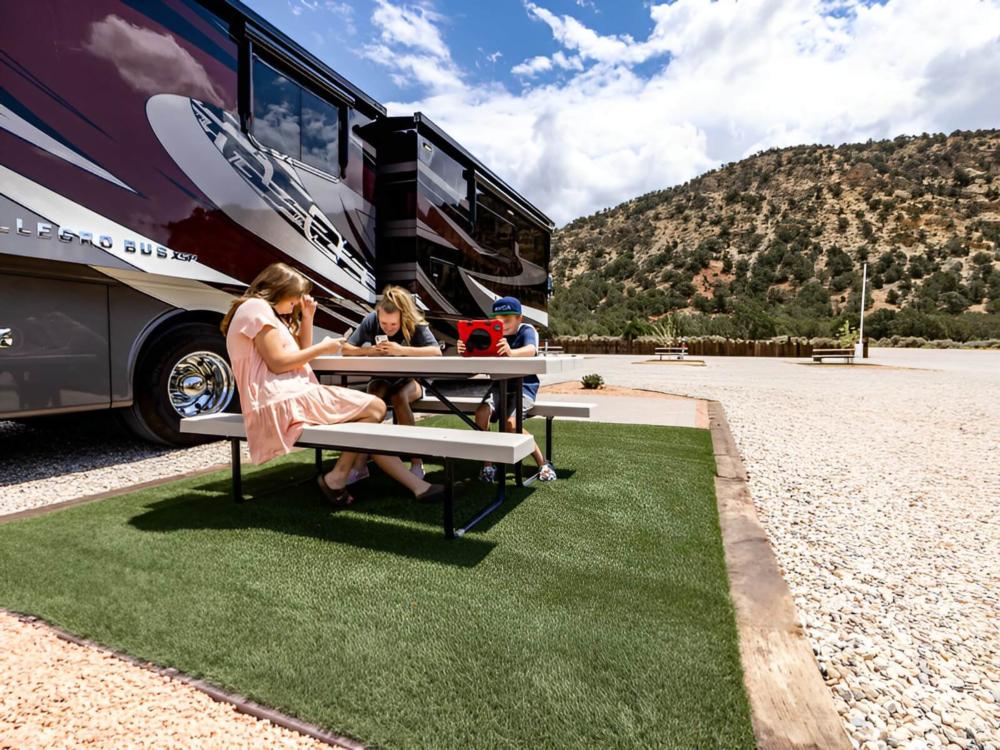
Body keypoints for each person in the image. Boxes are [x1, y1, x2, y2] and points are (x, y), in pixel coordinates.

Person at [220, 263, 443, 507]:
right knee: (375, 407)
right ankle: (342, 476)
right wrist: (324, 347)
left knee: (369, 417)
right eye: (294, 301)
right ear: (279, 290)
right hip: (282, 400)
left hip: (284, 397)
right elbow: (278, 363)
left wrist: (308, 318)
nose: (293, 306)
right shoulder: (256, 308)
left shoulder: (259, 311)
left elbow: (300, 355)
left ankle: (413, 486)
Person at [341, 286, 440, 483]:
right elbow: (346, 348)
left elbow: (436, 351)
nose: (388, 328)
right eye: (383, 323)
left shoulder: (416, 324)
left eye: (393, 324)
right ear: (378, 315)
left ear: (403, 317)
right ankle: (360, 465)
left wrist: (401, 350)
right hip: (383, 376)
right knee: (372, 397)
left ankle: (416, 461)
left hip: (414, 379)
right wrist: (370, 351)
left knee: (398, 397)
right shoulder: (371, 320)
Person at [456, 296, 557, 482]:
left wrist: (512, 353)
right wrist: (465, 349)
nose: (502, 324)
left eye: (508, 320)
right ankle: (488, 465)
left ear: (520, 318)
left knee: (511, 424)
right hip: (499, 385)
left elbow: (531, 350)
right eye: (498, 320)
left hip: (524, 386)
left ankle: (543, 463)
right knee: (481, 414)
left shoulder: (527, 330)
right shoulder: (491, 332)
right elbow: (478, 352)